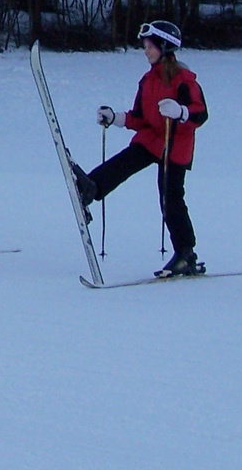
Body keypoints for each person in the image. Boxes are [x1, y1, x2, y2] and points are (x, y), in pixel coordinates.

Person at [72, 20, 208, 277]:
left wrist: (180, 111)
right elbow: (139, 116)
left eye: (149, 46)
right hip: (152, 138)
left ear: (164, 47)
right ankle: (91, 186)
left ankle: (185, 254)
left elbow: (201, 114)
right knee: (127, 160)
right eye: (145, 46)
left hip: (176, 144)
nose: (145, 51)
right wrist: (115, 117)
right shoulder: (147, 81)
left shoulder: (185, 80)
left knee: (170, 198)